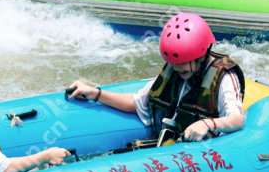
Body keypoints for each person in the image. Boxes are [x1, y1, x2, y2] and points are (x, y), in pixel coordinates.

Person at [68, 14, 245, 142]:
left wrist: (207, 124)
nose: (176, 67)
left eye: (183, 62)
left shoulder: (224, 77)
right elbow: (136, 103)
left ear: (202, 54)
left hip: (205, 150)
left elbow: (237, 119)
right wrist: (95, 93)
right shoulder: (175, 70)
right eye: (173, 62)